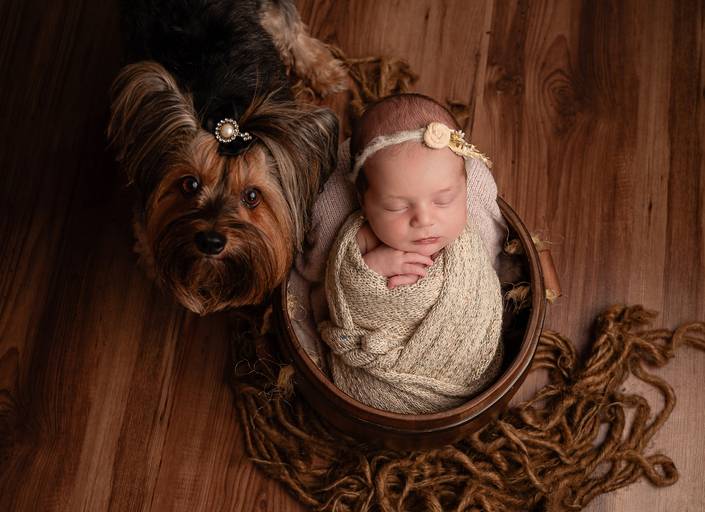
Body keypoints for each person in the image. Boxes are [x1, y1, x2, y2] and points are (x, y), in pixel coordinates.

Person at [318, 93, 506, 414]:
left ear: (464, 187)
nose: (424, 220)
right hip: (381, 380)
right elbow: (340, 284)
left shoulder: (467, 238)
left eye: (444, 200)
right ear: (364, 202)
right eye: (396, 207)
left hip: (466, 365)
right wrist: (372, 269)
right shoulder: (363, 239)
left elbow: (485, 287)